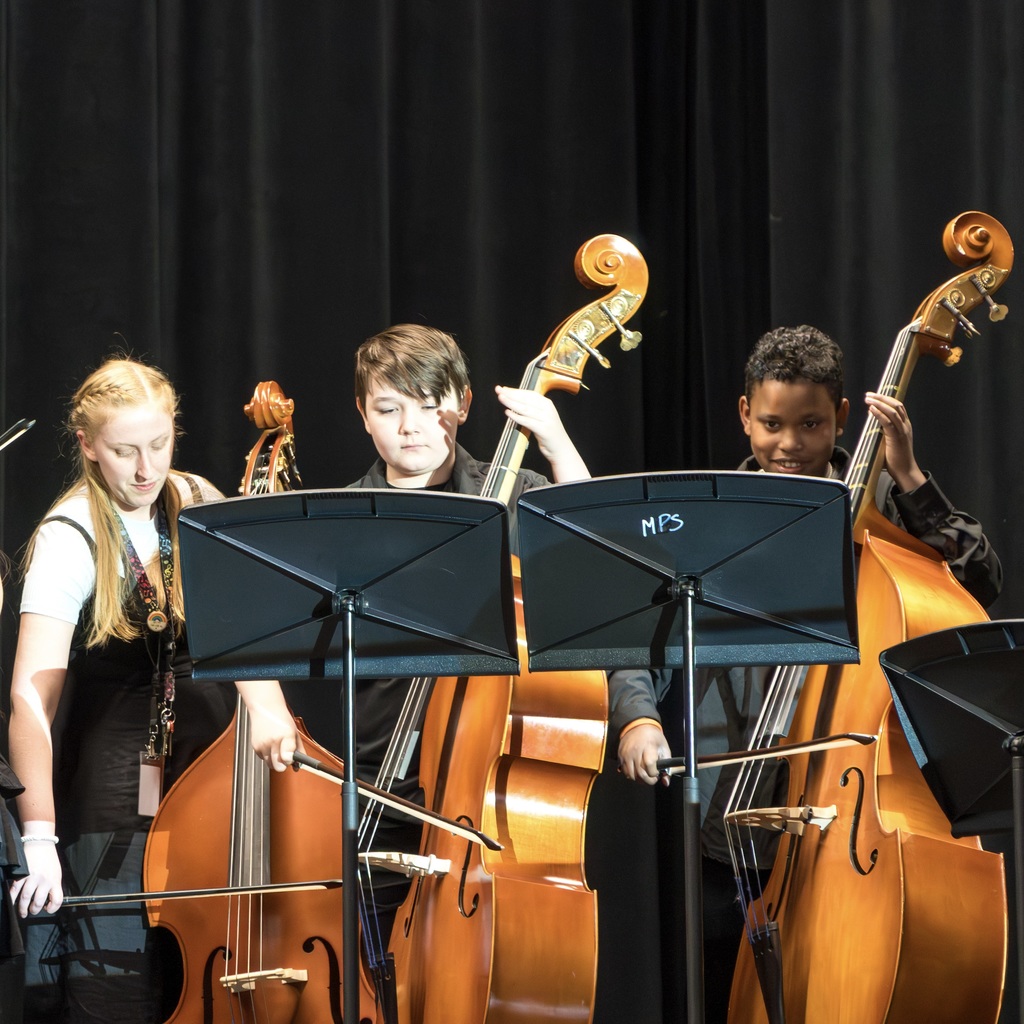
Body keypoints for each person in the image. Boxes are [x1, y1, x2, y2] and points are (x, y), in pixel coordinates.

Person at [607, 324, 1002, 1022]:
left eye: (812, 424)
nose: (789, 444)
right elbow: (637, 631)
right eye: (772, 424)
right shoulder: (709, 520)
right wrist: (637, 715)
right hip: (731, 808)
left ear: (843, 418)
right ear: (744, 416)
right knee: (720, 992)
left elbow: (978, 578)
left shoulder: (881, 519)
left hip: (841, 819)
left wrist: (907, 473)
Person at [6, 356, 302, 1024]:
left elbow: (247, 634)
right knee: (118, 981)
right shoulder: (69, 535)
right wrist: (39, 839)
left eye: (159, 445)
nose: (146, 470)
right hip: (115, 785)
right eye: (124, 451)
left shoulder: (197, 497)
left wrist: (267, 702)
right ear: (87, 446)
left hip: (214, 764)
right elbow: (32, 703)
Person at [340, 322, 592, 929]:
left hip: (494, 792)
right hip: (380, 789)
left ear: (465, 403)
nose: (411, 427)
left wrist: (558, 446)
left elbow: (599, 568)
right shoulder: (344, 520)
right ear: (362, 414)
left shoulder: (519, 492)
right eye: (388, 408)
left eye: (430, 407)